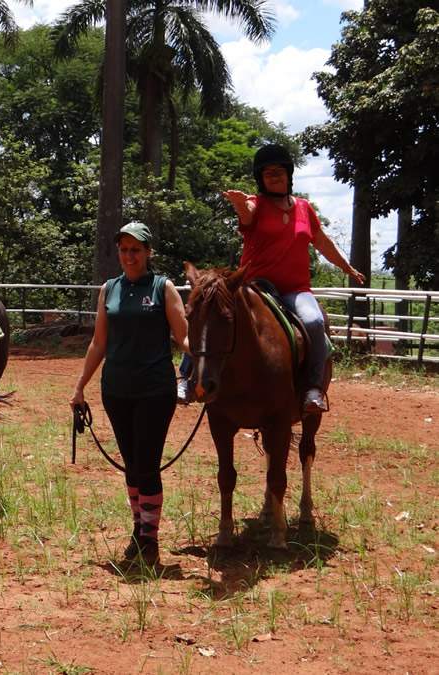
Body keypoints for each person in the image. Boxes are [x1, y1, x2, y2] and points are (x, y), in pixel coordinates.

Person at [212, 144, 365, 414]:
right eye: (267, 172)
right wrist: (239, 205)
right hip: (256, 287)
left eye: (279, 170)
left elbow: (323, 243)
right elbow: (247, 214)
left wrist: (347, 267)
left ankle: (314, 388)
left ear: (288, 174)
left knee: (315, 322)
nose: (274, 176)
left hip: (295, 289)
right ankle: (189, 376)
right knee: (212, 312)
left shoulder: (305, 208)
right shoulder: (255, 204)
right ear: (260, 178)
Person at [70, 222, 189, 567]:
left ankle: (150, 540)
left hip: (155, 389)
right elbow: (99, 343)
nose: (129, 256)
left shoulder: (163, 288)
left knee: (147, 463)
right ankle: (140, 529)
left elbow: (183, 336)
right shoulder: (109, 289)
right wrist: (80, 386)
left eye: (135, 249)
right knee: (132, 465)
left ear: (148, 252)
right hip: (116, 389)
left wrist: (205, 360)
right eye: (123, 250)